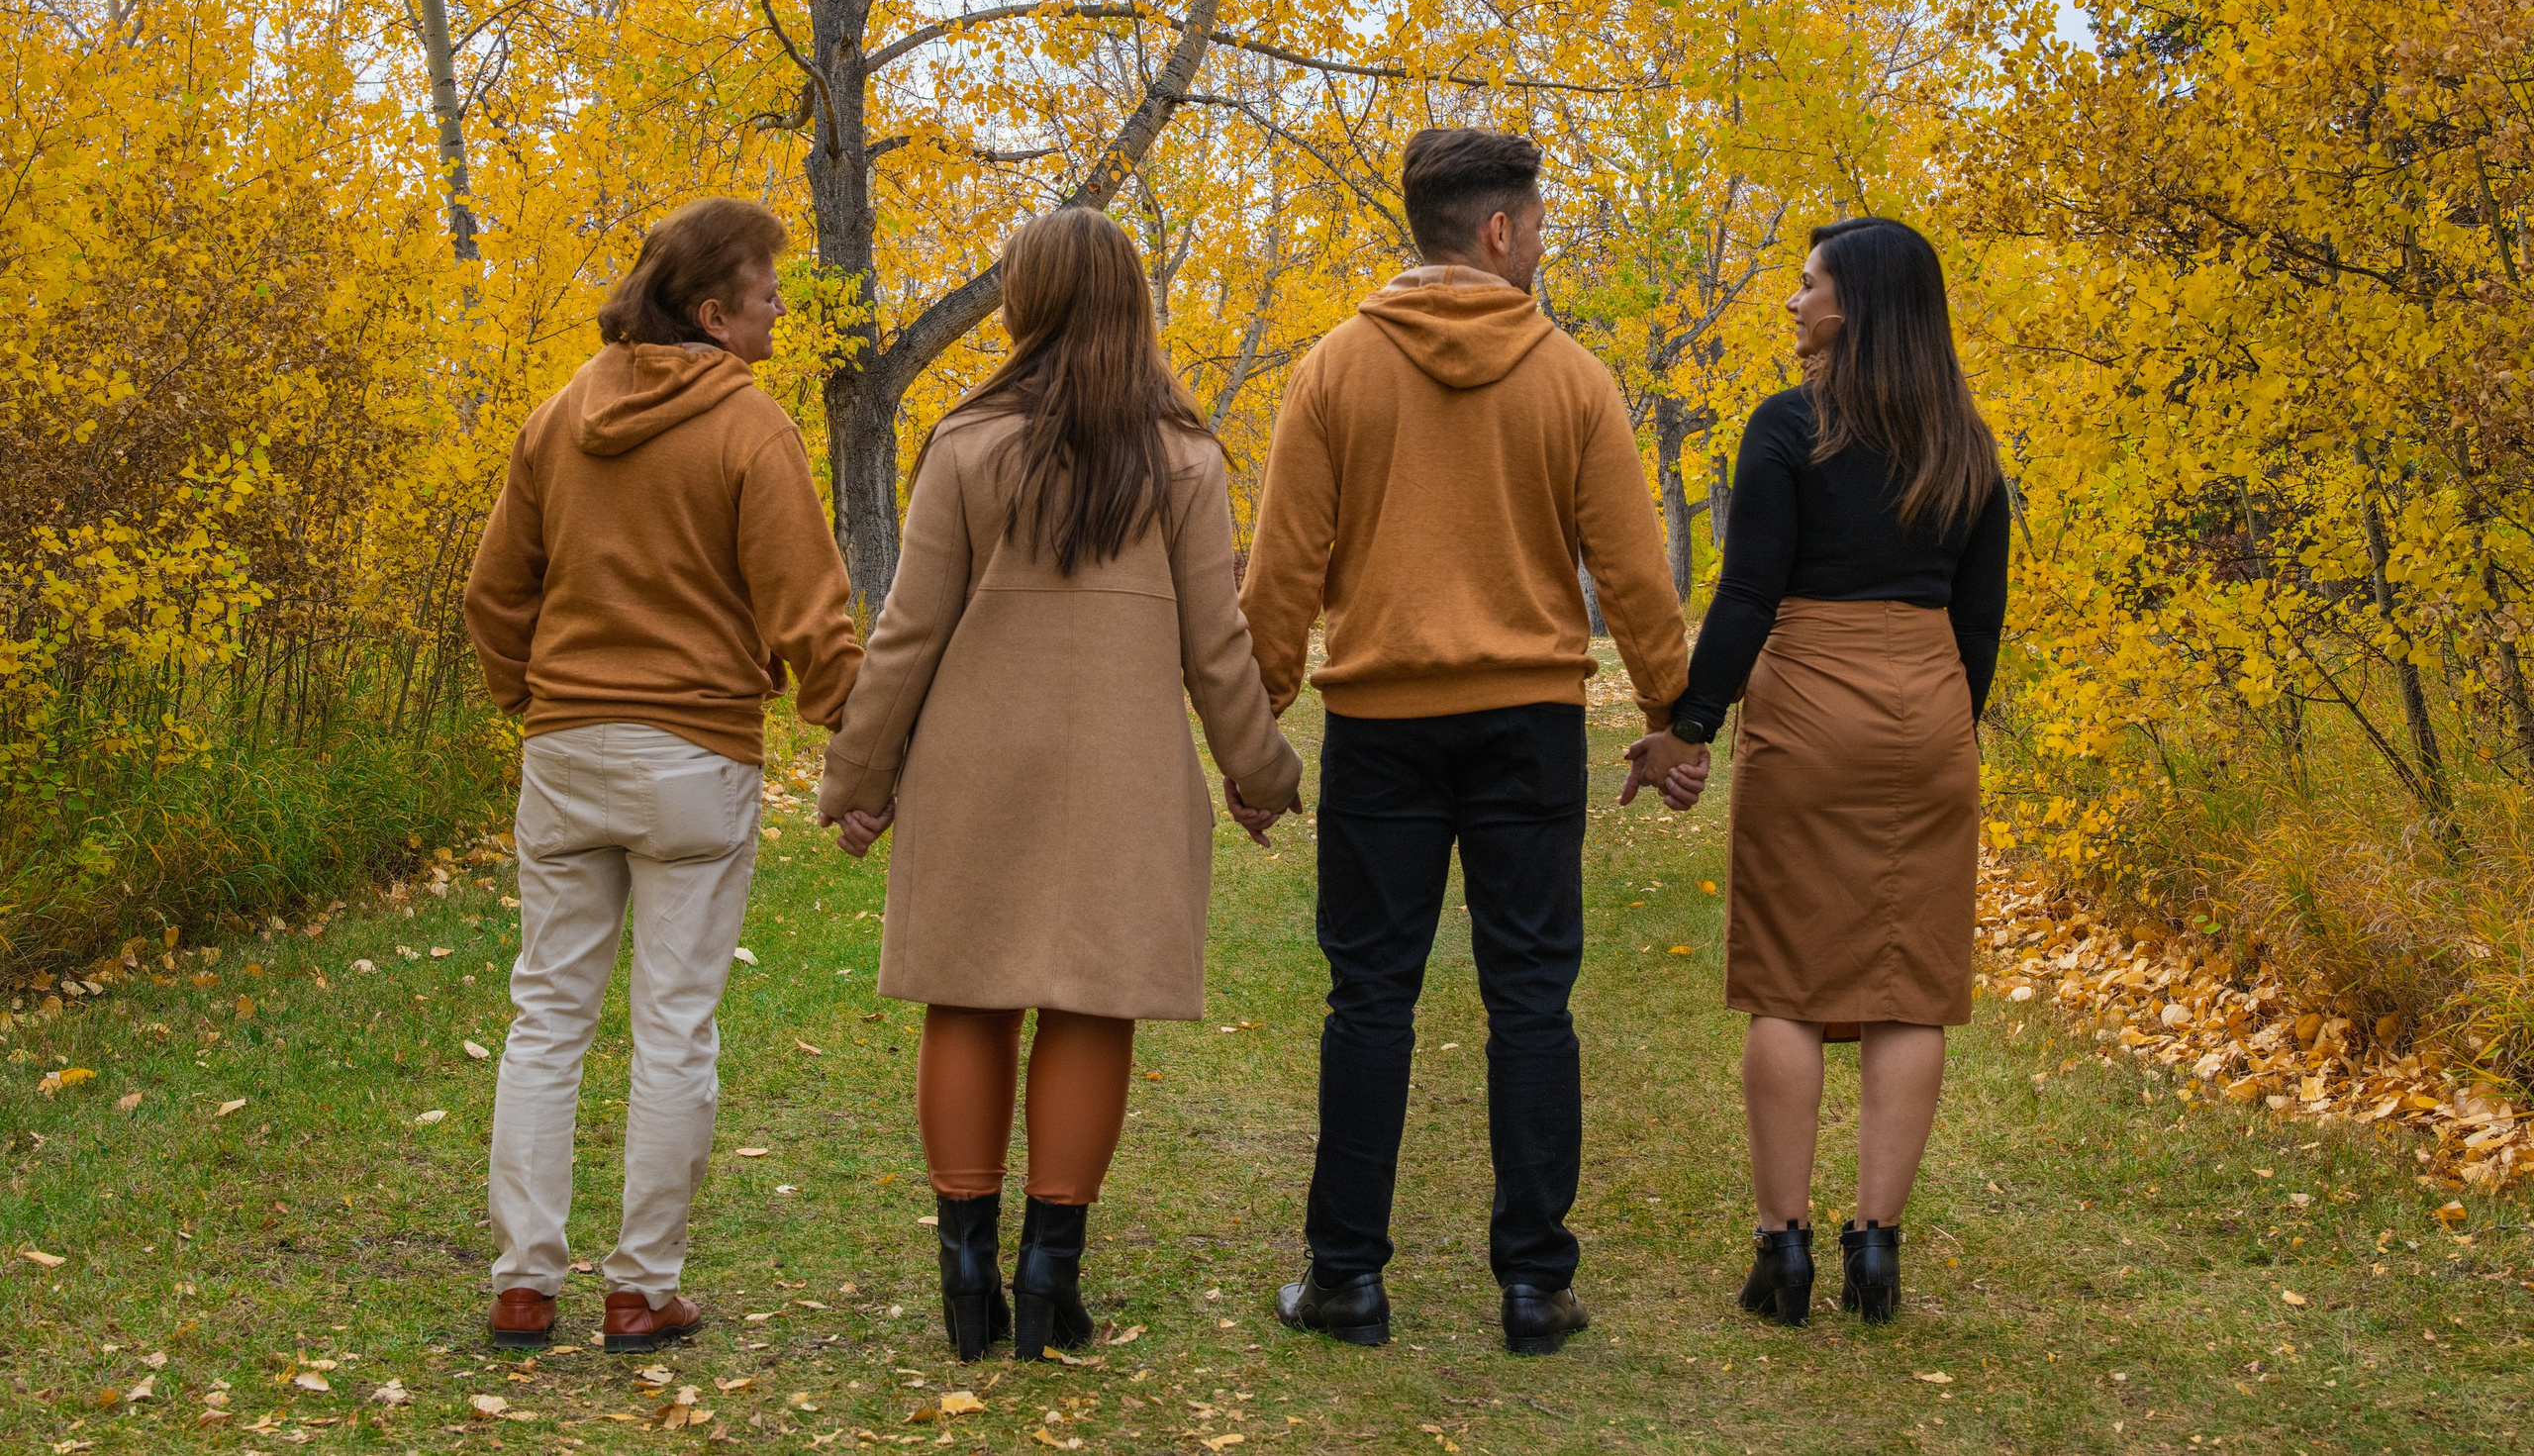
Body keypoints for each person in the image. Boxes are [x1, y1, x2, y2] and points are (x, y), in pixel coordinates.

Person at [1237, 127, 1701, 1356]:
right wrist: (1672, 715)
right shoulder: (1573, 379)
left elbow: (1280, 571)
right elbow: (1632, 571)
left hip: (1381, 725)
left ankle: (1346, 1278)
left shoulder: (1332, 370)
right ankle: (1535, 1286)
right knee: (1532, 999)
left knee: (1368, 998)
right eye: (1536, 225)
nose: (1541, 244)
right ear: (1496, 231)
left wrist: (1254, 730)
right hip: (1527, 725)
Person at [819, 207, 1302, 1364]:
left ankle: (965, 1275)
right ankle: (1048, 1278)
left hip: (975, 765)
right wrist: (1260, 771)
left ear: (1022, 304)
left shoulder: (964, 445)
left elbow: (907, 634)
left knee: (967, 994)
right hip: (1124, 776)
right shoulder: (1184, 458)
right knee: (1091, 1003)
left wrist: (860, 775)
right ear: (1133, 304)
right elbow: (1216, 647)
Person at [463, 197, 865, 1354]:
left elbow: (494, 592)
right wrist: (858, 738)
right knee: (674, 1023)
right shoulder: (751, 429)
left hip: (565, 745)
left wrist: (530, 698)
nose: (779, 309)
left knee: (547, 1014)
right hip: (692, 751)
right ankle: (640, 1287)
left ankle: (524, 1283)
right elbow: (809, 613)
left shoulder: (557, 416)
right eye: (766, 294)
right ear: (713, 315)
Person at [1658, 216, 2008, 1326]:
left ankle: (1784, 1250)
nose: (1794, 301)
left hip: (1810, 699)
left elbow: (1748, 592)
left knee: (1790, 982)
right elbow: (1980, 622)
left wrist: (1691, 724)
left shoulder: (1788, 425)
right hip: (1931, 705)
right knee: (1912, 984)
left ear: (1854, 304)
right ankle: (1877, 1248)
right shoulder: (1967, 443)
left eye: (1807, 284)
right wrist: (1944, 717)